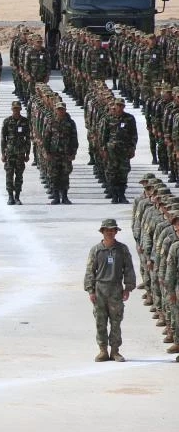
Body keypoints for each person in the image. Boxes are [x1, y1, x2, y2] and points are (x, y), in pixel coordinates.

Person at [83, 218, 136, 363]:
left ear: (116, 232)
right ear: (102, 232)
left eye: (113, 230)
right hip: (100, 289)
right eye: (107, 230)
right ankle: (102, 350)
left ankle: (115, 351)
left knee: (116, 321)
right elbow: (90, 271)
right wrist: (90, 290)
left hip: (116, 289)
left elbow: (129, 268)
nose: (110, 233)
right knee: (100, 321)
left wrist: (128, 288)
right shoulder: (96, 250)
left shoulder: (122, 249)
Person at [42, 100, 78, 204]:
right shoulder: (51, 122)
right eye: (59, 110)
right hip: (54, 153)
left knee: (65, 175)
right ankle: (56, 197)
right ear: (56, 111)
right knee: (54, 175)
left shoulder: (70, 123)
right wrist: (47, 152)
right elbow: (46, 138)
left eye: (62, 109)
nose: (60, 111)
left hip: (66, 153)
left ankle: (65, 197)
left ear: (65, 110)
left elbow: (74, 139)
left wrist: (73, 153)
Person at [1, 99, 30, 205]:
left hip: (20, 153)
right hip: (10, 153)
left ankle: (17, 196)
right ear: (12, 109)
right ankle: (10, 196)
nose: (16, 110)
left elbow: (28, 138)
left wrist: (27, 154)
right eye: (14, 109)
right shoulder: (7, 121)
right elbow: (3, 139)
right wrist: (3, 154)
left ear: (20, 109)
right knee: (9, 175)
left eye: (18, 108)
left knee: (19, 176)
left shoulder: (25, 122)